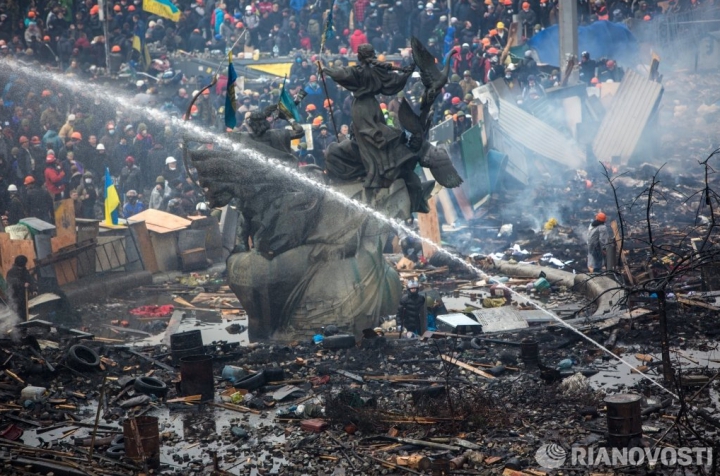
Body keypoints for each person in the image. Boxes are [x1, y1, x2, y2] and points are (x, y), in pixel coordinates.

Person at [321, 43, 414, 189]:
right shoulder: (377, 71)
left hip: (362, 107)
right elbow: (393, 81)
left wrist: (327, 70)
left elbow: (340, 74)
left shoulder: (357, 71)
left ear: (359, 56)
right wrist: (406, 74)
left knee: (373, 138)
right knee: (374, 136)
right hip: (371, 106)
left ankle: (381, 171)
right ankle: (380, 170)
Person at [6, 255, 36, 321]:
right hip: (15, 296)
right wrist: (23, 284)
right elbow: (12, 282)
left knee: (26, 310)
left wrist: (33, 289)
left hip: (24, 295)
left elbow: (30, 279)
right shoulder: (11, 272)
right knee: (18, 312)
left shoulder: (25, 271)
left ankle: (26, 322)